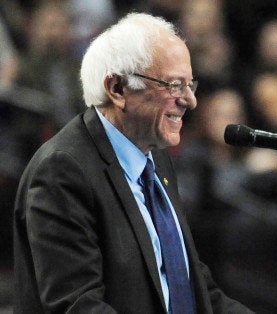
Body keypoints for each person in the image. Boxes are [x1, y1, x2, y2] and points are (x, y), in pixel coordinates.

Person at [13, 12, 253, 313]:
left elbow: (193, 288)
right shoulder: (62, 170)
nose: (190, 100)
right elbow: (78, 305)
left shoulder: (156, 158)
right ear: (117, 89)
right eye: (175, 85)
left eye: (191, 85)